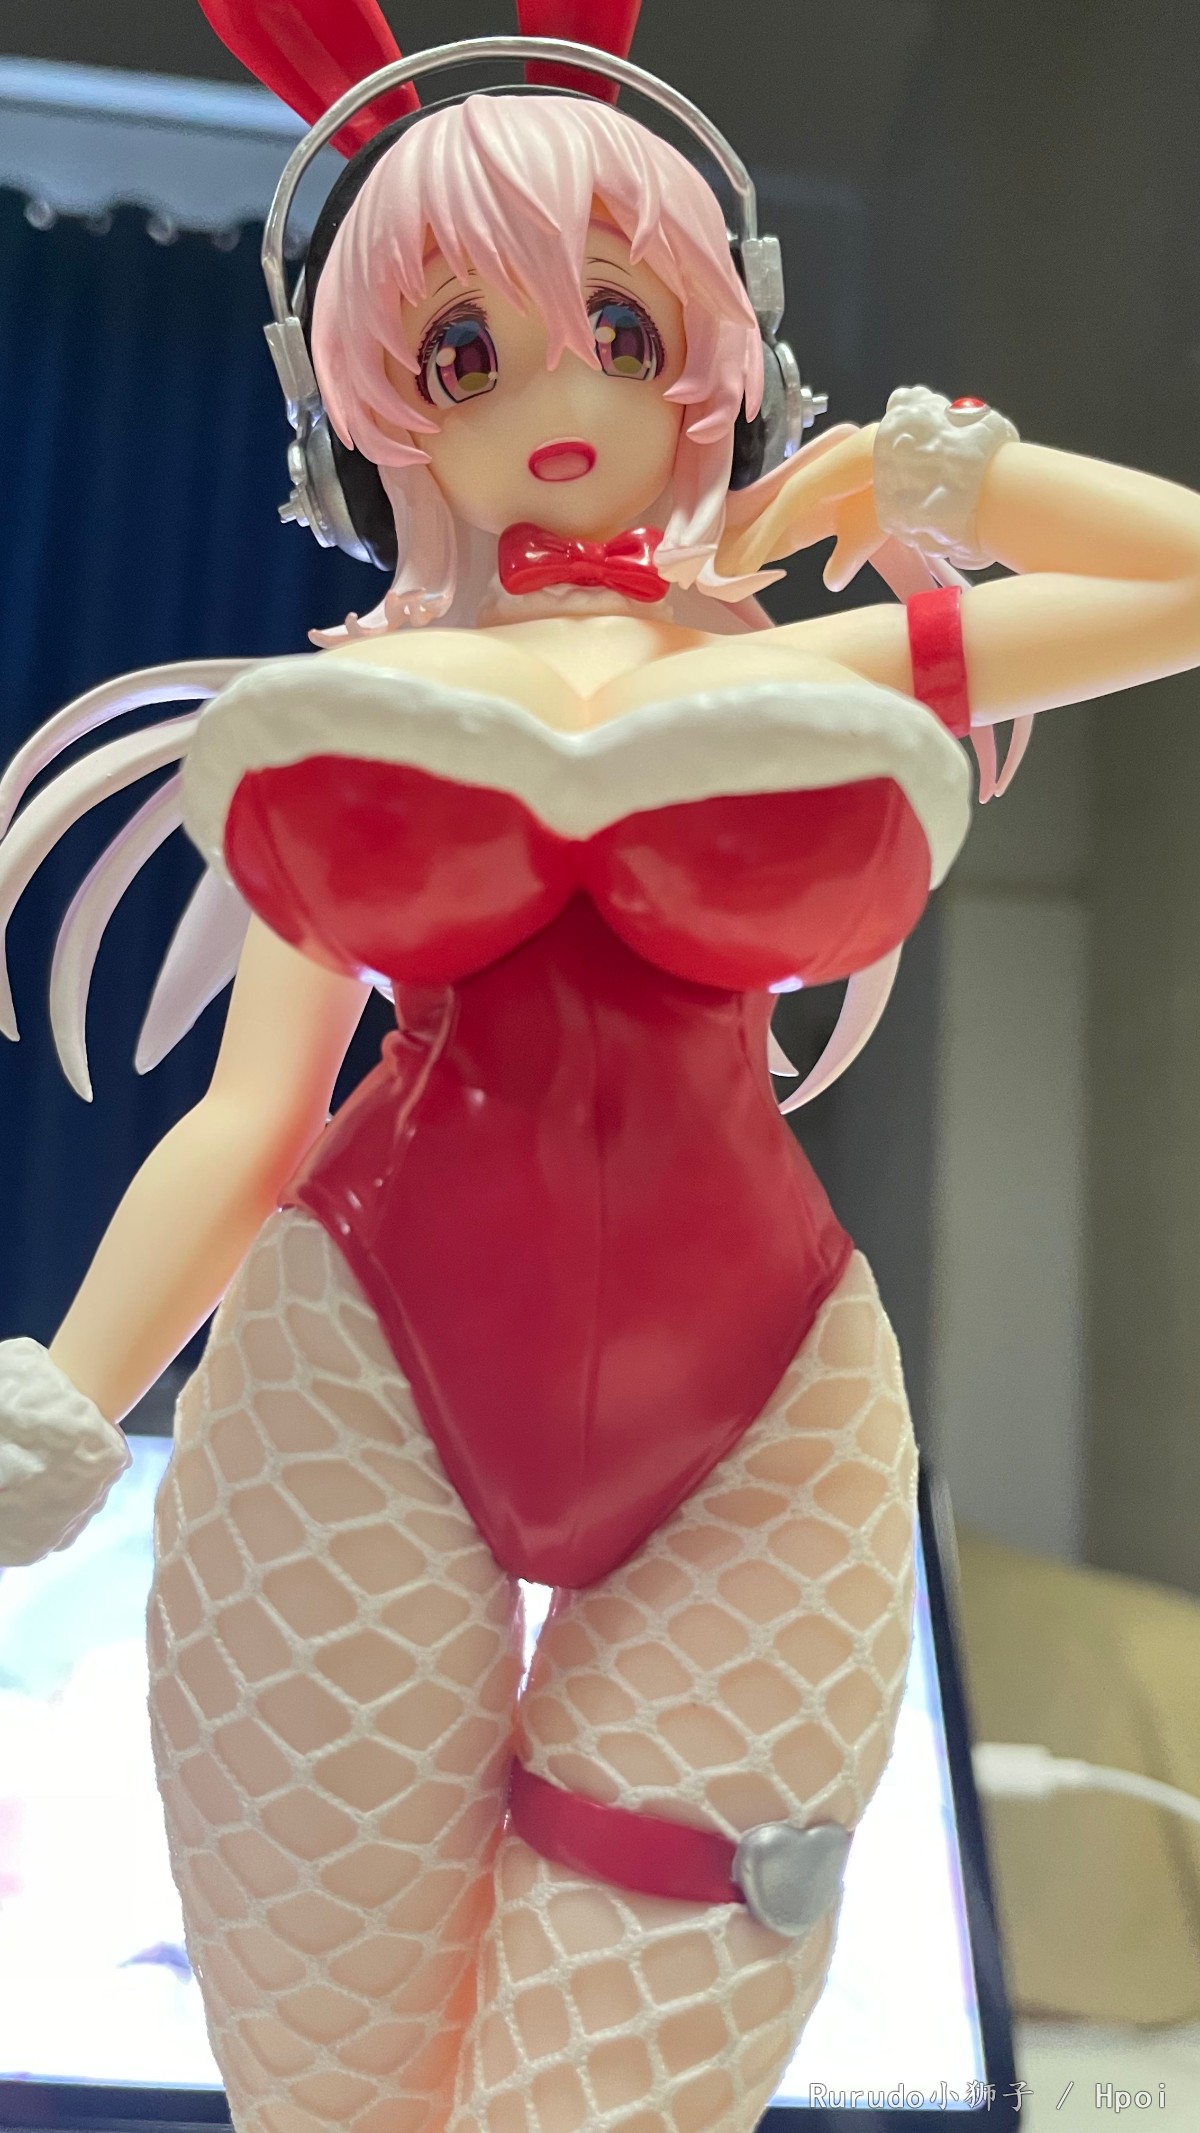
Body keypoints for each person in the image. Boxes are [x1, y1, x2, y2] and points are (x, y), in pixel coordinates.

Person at [2, 7, 1200, 2132]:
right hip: (353, 1366)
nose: (560, 396)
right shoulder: (362, 702)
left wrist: (960, 477)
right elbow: (254, 1112)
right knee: (333, 2086)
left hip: (764, 1401)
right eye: (466, 350)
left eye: (621, 325)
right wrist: (68, 1397)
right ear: (372, 402)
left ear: (717, 340)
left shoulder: (820, 660)